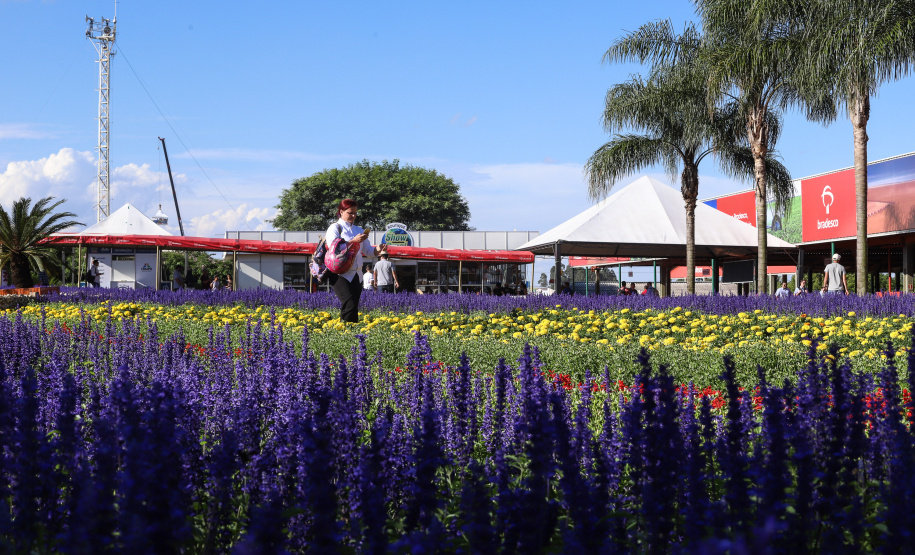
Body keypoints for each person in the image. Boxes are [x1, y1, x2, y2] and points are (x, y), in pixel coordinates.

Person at [326, 199, 387, 323]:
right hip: (339, 273)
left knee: (353, 307)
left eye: (355, 213)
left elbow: (369, 252)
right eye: (350, 213)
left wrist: (378, 249)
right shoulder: (334, 228)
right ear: (341, 212)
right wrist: (353, 241)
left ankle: (349, 330)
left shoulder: (359, 230)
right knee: (349, 304)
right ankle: (346, 330)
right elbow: (334, 248)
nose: (353, 216)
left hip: (356, 274)